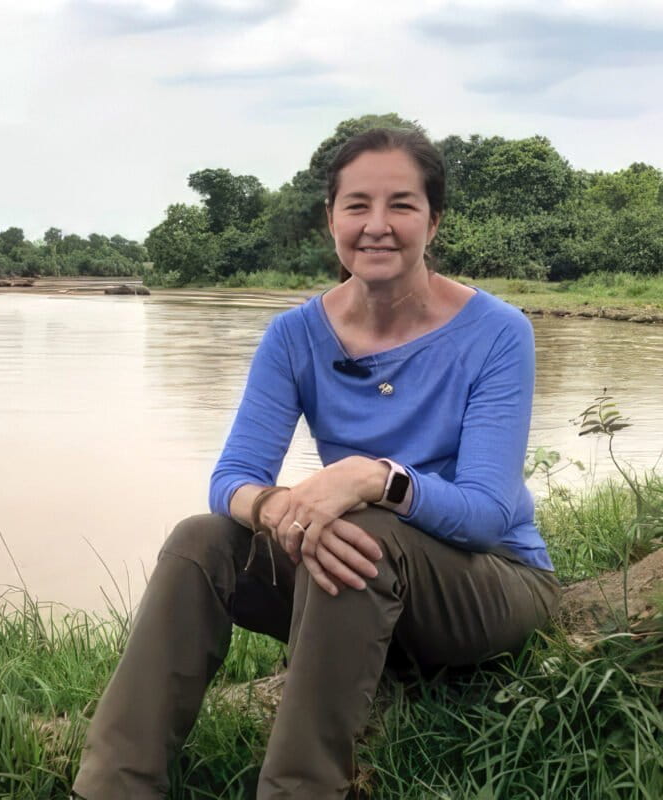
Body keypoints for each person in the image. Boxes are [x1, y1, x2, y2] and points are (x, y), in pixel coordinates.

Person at [71, 127, 561, 800]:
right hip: (365, 587)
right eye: (357, 205)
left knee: (363, 529)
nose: (378, 226)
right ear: (330, 218)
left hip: (490, 585)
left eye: (402, 205)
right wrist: (275, 509)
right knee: (200, 541)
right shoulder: (295, 335)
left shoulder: (499, 333)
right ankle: (113, 787)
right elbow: (231, 482)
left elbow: (483, 515)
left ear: (434, 221)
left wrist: (373, 477)